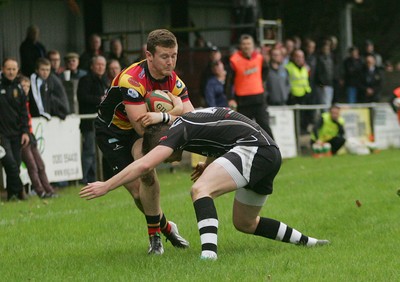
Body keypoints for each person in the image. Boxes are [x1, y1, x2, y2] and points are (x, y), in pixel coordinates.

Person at [80, 107, 330, 260]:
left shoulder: (175, 132)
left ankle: (208, 256)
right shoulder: (186, 122)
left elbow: (144, 165)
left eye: (166, 155)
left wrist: (106, 185)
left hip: (253, 149)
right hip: (266, 152)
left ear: (164, 143)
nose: (171, 161)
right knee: (245, 223)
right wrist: (209, 163)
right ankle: (309, 242)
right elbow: (222, 130)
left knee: (201, 190)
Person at [94, 29, 192, 254]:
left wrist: (167, 115)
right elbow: (141, 125)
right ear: (149, 56)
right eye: (164, 56)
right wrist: (173, 111)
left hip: (140, 134)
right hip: (113, 132)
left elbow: (192, 118)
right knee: (138, 193)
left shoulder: (175, 82)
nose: (171, 62)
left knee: (147, 175)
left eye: (174, 55)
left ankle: (154, 239)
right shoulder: (132, 80)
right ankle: (166, 227)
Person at [226, 34, 274, 139]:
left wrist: (261, 81)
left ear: (253, 46)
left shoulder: (259, 57)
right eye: (244, 44)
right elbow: (228, 82)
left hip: (259, 99)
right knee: (244, 129)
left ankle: (273, 151)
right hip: (243, 101)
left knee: (265, 126)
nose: (246, 46)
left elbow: (266, 69)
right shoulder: (234, 60)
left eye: (248, 44)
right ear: (240, 46)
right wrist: (230, 98)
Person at [19, 76, 58, 198]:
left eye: (27, 86)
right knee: (32, 165)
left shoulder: (26, 101)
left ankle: (48, 190)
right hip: (22, 137)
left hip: (30, 135)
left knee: (40, 165)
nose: (25, 89)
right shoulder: (17, 102)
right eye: (23, 86)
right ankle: (40, 191)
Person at [0, 58, 30, 201]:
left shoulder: (19, 88)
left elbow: (24, 112)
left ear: (17, 70)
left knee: (16, 165)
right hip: (2, 135)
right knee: (10, 163)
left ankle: (13, 194)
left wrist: (25, 131)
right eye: (8, 69)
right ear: (3, 69)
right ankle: (21, 191)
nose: (11, 72)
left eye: (14, 69)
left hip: (17, 133)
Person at [77, 56, 108, 184]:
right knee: (89, 151)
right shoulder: (85, 80)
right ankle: (83, 178)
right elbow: (82, 97)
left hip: (99, 121)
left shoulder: (103, 81)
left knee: (95, 152)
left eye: (103, 65)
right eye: (98, 64)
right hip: (88, 121)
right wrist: (99, 99)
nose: (100, 67)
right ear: (92, 66)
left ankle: (93, 178)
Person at [286, 49, 312, 133]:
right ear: (293, 57)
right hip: (294, 95)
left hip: (305, 93)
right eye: (297, 56)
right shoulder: (288, 67)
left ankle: (303, 130)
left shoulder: (305, 67)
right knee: (297, 117)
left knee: (306, 115)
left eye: (301, 57)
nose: (300, 59)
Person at [315, 41, 335, 109]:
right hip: (323, 85)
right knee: (324, 103)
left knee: (328, 103)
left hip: (330, 84)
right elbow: (319, 72)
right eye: (325, 49)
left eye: (327, 49)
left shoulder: (331, 58)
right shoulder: (319, 59)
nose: (326, 50)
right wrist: (321, 83)